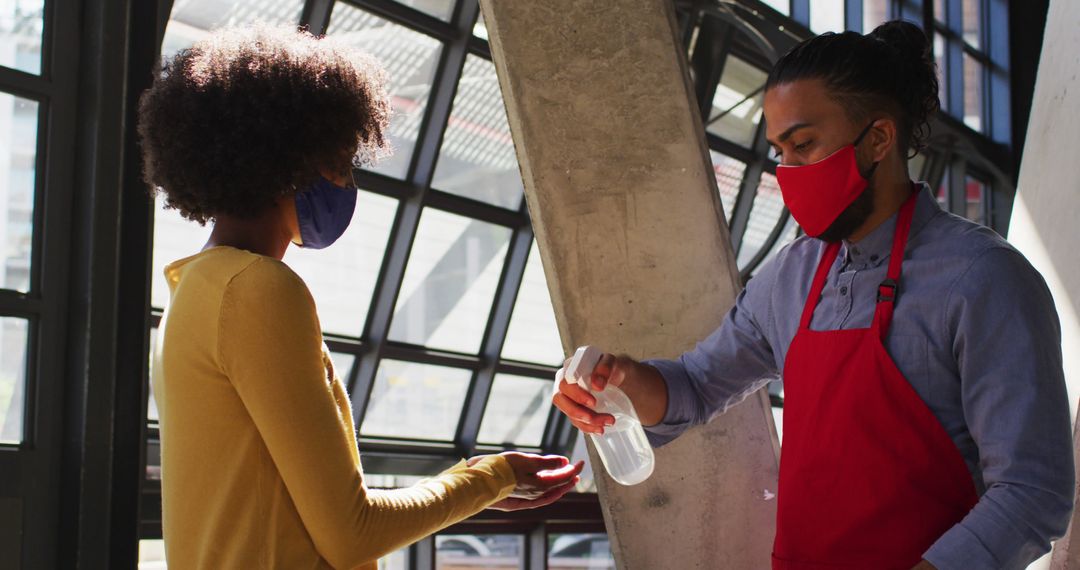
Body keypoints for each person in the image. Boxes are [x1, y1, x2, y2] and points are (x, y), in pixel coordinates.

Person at [552, 20, 1073, 570]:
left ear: (878, 139)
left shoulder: (983, 279)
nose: (786, 172)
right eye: (778, 151)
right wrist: (622, 384)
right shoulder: (789, 278)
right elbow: (696, 387)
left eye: (803, 145)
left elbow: (1032, 490)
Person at [140, 25, 583, 569]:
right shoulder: (257, 290)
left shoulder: (191, 295)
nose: (344, 180)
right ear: (294, 156)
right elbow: (354, 532)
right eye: (340, 159)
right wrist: (495, 477)